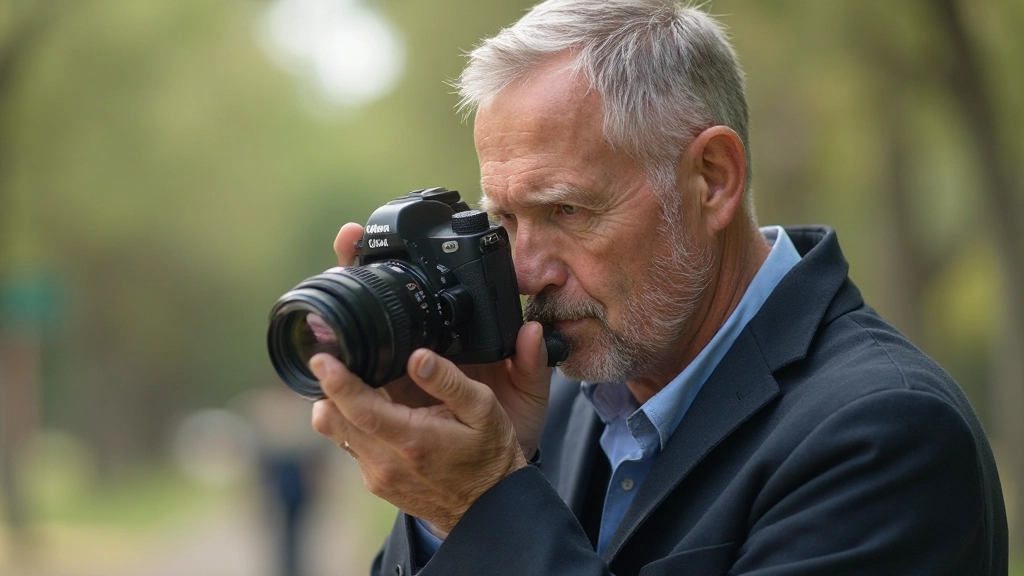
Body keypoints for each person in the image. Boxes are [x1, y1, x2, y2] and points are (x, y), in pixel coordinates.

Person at [307, 1, 1009, 574]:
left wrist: (484, 508)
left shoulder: (885, 437)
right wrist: (440, 506)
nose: (524, 271)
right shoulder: (560, 409)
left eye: (567, 211)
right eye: (506, 221)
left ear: (713, 179)